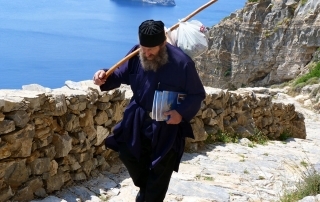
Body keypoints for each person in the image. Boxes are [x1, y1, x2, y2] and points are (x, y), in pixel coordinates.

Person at [93, 19, 205, 202]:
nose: (146, 53)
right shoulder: (138, 53)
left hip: (166, 127)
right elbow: (120, 74)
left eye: (151, 49)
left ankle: (150, 195)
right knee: (127, 154)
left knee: (159, 172)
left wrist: (180, 113)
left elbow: (197, 94)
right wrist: (103, 76)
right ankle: (147, 190)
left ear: (163, 44)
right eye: (143, 48)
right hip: (137, 120)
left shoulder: (182, 63)